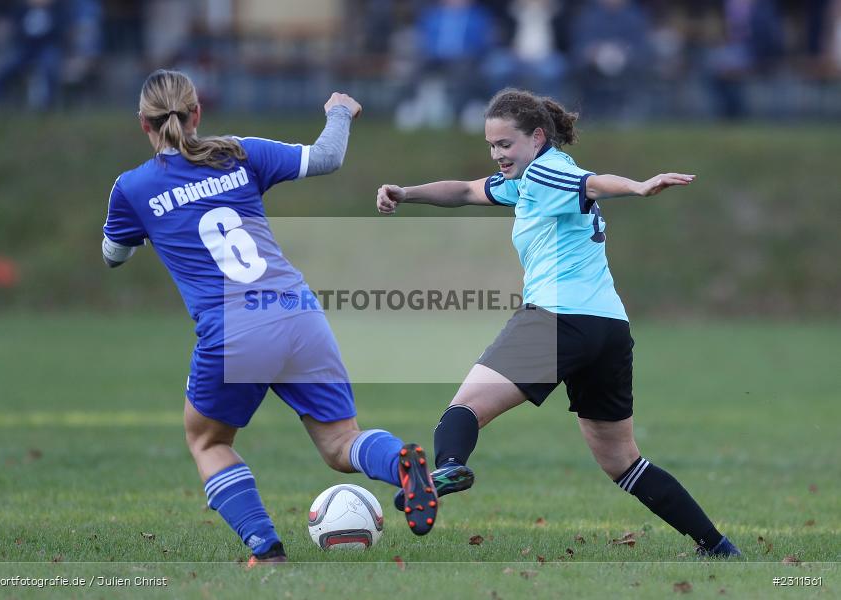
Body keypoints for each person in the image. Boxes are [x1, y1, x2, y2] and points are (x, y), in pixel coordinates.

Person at [376, 88, 741, 558]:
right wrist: (406, 193)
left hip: (555, 318)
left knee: (462, 410)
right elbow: (467, 190)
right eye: (491, 145)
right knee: (623, 461)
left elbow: (592, 183)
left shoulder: (550, 170)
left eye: (505, 144)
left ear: (537, 137)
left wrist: (637, 186)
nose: (497, 154)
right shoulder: (526, 180)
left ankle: (447, 468)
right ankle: (718, 546)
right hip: (607, 328)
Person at [102, 70, 438, 566]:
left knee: (208, 440)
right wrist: (340, 110)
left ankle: (267, 549)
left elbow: (113, 254)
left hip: (233, 330)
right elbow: (327, 157)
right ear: (197, 114)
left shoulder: (133, 187)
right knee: (341, 441)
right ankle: (400, 464)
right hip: (298, 313)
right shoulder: (238, 152)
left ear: (143, 125)